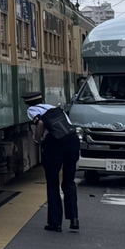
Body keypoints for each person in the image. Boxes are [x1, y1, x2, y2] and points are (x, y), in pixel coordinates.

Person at [23, 91, 80, 233]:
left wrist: (37, 139)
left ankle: (55, 223)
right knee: (69, 181)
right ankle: (74, 220)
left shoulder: (32, 110)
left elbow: (41, 122)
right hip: (72, 141)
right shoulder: (55, 108)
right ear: (42, 99)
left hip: (54, 145)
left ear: (27, 103)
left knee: (53, 183)